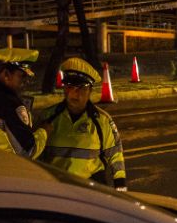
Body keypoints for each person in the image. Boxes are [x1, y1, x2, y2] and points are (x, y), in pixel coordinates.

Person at [39, 57, 127, 191]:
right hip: (57, 188)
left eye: (81, 88)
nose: (75, 93)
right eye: (70, 87)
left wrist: (120, 187)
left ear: (90, 90)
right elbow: (35, 154)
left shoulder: (101, 120)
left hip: (92, 189)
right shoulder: (48, 117)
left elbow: (115, 154)